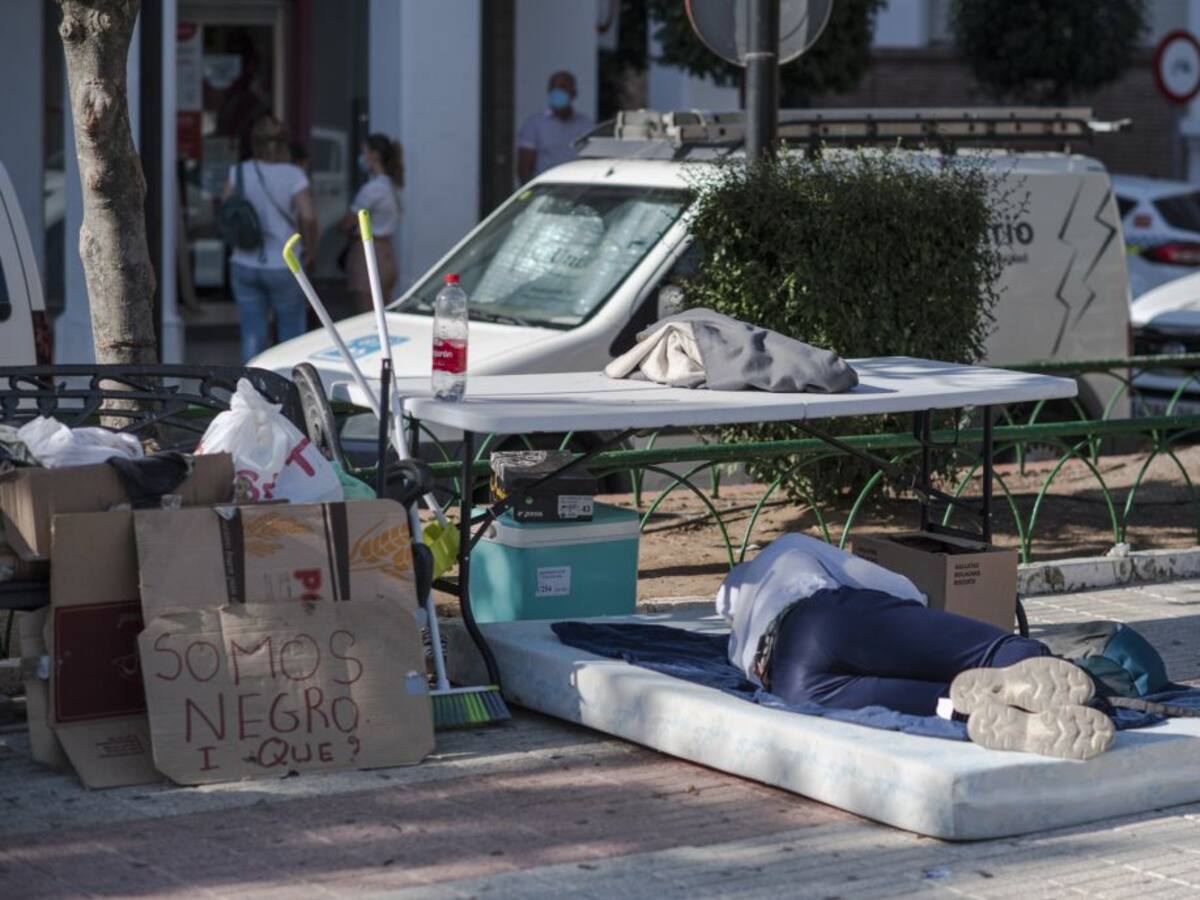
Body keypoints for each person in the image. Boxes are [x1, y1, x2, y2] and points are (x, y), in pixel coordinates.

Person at [720, 534, 1116, 760]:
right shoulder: (787, 550)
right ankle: (1081, 693)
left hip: (794, 687)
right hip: (826, 624)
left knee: (945, 700)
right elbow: (899, 588)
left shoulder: (736, 646)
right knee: (990, 653)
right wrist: (917, 621)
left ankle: (963, 711)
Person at [222, 115, 318, 362]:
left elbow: (225, 212)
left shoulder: (238, 172)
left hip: (243, 261)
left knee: (252, 335)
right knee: (291, 334)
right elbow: (308, 217)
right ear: (285, 143)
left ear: (253, 143)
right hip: (284, 263)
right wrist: (310, 250)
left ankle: (252, 382)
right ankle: (288, 381)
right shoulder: (294, 175)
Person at [343, 133, 404, 312]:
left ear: (374, 155)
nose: (362, 158)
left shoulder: (374, 189)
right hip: (387, 254)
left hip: (369, 253)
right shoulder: (394, 185)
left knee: (367, 315)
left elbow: (348, 222)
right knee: (381, 312)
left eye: (364, 152)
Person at [516, 71, 593, 183]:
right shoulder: (533, 124)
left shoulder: (586, 125)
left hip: (578, 187)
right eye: (553, 88)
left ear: (574, 93)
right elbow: (524, 168)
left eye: (563, 87)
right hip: (547, 188)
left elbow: (592, 161)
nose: (558, 92)